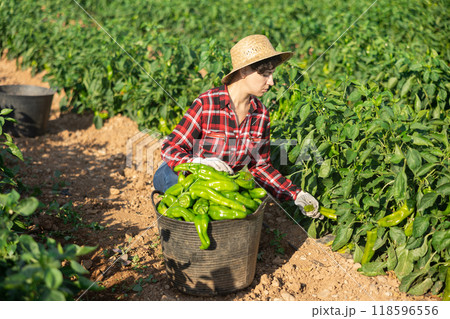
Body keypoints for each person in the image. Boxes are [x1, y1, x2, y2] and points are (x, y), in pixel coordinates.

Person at [153, 34, 322, 219]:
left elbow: (260, 166)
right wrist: (197, 163)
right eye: (265, 74)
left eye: (272, 74)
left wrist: (295, 194)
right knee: (182, 194)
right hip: (179, 175)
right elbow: (170, 147)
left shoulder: (260, 115)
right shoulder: (208, 104)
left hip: (220, 186)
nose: (271, 82)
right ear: (244, 71)